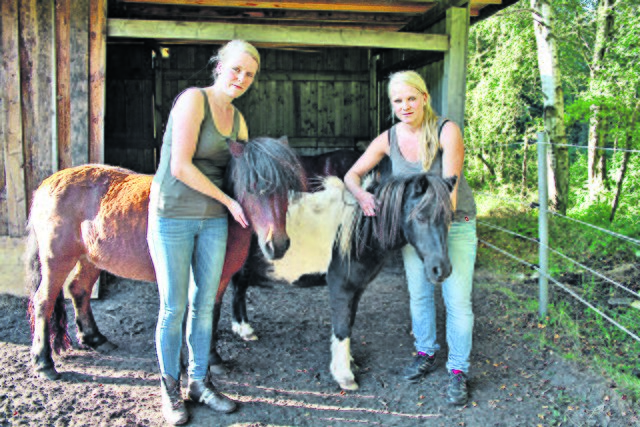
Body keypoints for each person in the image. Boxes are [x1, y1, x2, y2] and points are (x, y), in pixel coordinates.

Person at [344, 70, 477, 406]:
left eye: (411, 99)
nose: (405, 106)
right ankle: (425, 352)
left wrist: (438, 247)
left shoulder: (447, 130)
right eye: (398, 101)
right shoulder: (387, 138)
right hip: (415, 232)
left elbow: (451, 191)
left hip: (453, 224)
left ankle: (458, 371)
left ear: (424, 98)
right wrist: (362, 196)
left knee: (456, 301)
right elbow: (352, 175)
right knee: (419, 296)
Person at [147, 40, 260, 425]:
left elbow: (241, 172)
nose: (241, 79)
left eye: (249, 74)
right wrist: (230, 203)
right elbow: (180, 165)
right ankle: (169, 391)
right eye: (235, 70)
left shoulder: (240, 121)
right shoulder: (193, 100)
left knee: (204, 304)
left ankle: (199, 383)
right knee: (173, 307)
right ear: (219, 67)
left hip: (212, 221)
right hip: (173, 214)